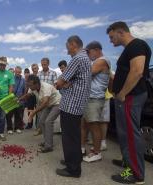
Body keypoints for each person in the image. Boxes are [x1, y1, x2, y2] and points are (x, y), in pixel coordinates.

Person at [107, 21, 151, 184]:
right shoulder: (129, 49)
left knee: (131, 135)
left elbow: (138, 71)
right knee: (124, 133)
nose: (111, 41)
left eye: (112, 37)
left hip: (130, 96)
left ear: (121, 32)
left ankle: (136, 174)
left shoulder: (136, 45)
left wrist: (123, 93)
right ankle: (128, 161)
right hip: (126, 96)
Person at [56, 35, 91, 178]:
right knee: (74, 136)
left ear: (73, 44)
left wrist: (63, 82)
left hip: (71, 105)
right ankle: (73, 160)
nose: (66, 49)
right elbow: (65, 81)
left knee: (70, 137)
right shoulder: (85, 58)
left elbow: (60, 81)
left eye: (67, 45)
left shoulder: (77, 58)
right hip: (77, 104)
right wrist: (65, 82)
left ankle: (73, 169)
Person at [82, 41, 111, 163]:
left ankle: (97, 152)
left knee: (94, 126)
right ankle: (83, 148)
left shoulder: (102, 61)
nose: (88, 55)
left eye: (88, 52)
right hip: (90, 98)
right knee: (84, 125)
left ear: (96, 49)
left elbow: (86, 74)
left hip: (95, 98)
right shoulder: (95, 61)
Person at [20, 75, 61, 153]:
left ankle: (49, 146)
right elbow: (28, 95)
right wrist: (19, 99)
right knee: (41, 121)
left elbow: (45, 102)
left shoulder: (46, 87)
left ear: (36, 84)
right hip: (49, 104)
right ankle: (47, 141)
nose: (29, 87)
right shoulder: (32, 87)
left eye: (30, 85)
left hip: (57, 103)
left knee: (48, 121)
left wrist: (33, 113)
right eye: (28, 85)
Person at [6, 66, 25, 134]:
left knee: (18, 115)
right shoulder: (11, 78)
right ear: (14, 71)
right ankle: (9, 128)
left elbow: (24, 90)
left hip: (19, 100)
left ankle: (17, 128)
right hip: (11, 99)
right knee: (9, 115)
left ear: (21, 72)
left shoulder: (23, 80)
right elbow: (8, 88)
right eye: (16, 72)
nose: (18, 73)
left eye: (19, 72)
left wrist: (22, 99)